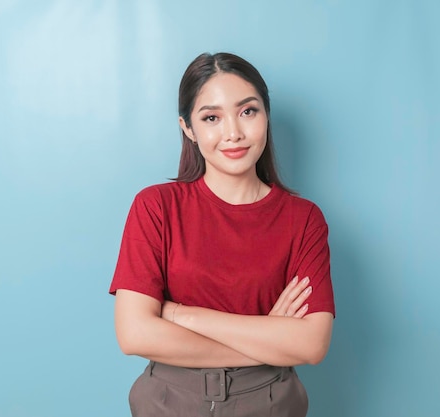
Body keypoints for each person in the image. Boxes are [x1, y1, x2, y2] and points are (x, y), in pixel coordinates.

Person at [110, 52, 335, 417]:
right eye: (211, 117)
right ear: (188, 129)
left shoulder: (303, 219)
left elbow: (311, 344)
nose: (233, 132)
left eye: (248, 111)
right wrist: (268, 337)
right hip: (168, 403)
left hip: (271, 402)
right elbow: (135, 334)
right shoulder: (155, 207)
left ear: (266, 115)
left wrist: (185, 316)